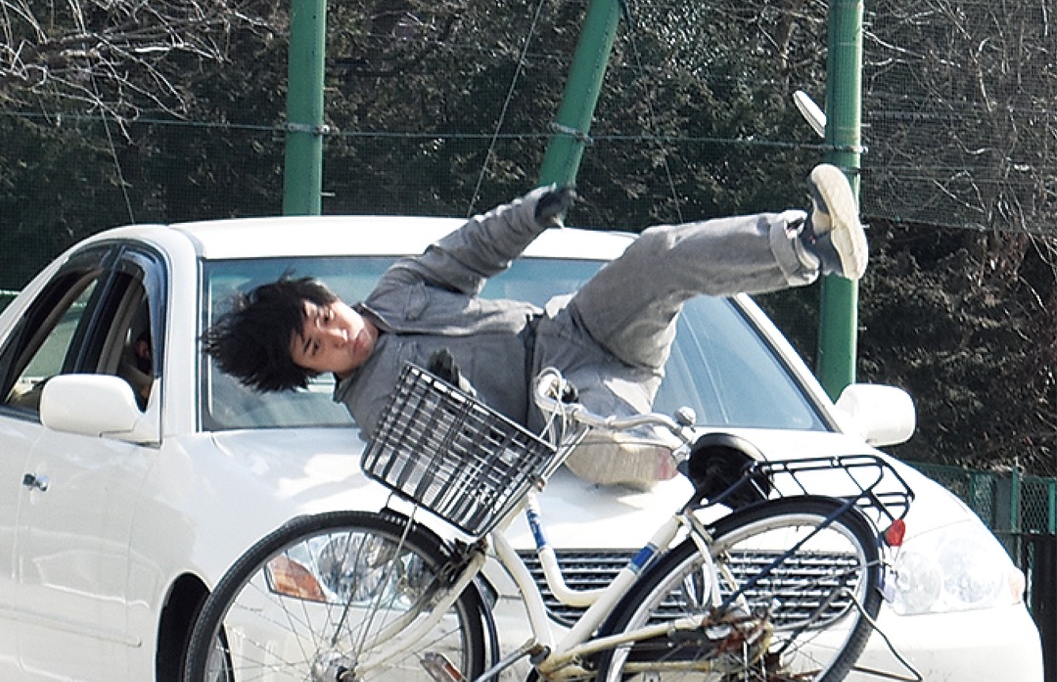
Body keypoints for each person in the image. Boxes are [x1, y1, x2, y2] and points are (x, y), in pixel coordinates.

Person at [202, 164, 867, 488]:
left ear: (329, 298)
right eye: (317, 347)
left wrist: (535, 211)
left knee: (657, 253)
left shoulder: (397, 291)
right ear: (311, 372)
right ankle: (701, 473)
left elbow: (472, 248)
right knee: (593, 440)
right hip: (559, 404)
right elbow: (473, 448)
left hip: (578, 329)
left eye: (325, 316)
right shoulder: (376, 409)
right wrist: (451, 393)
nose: (337, 334)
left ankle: (810, 245)